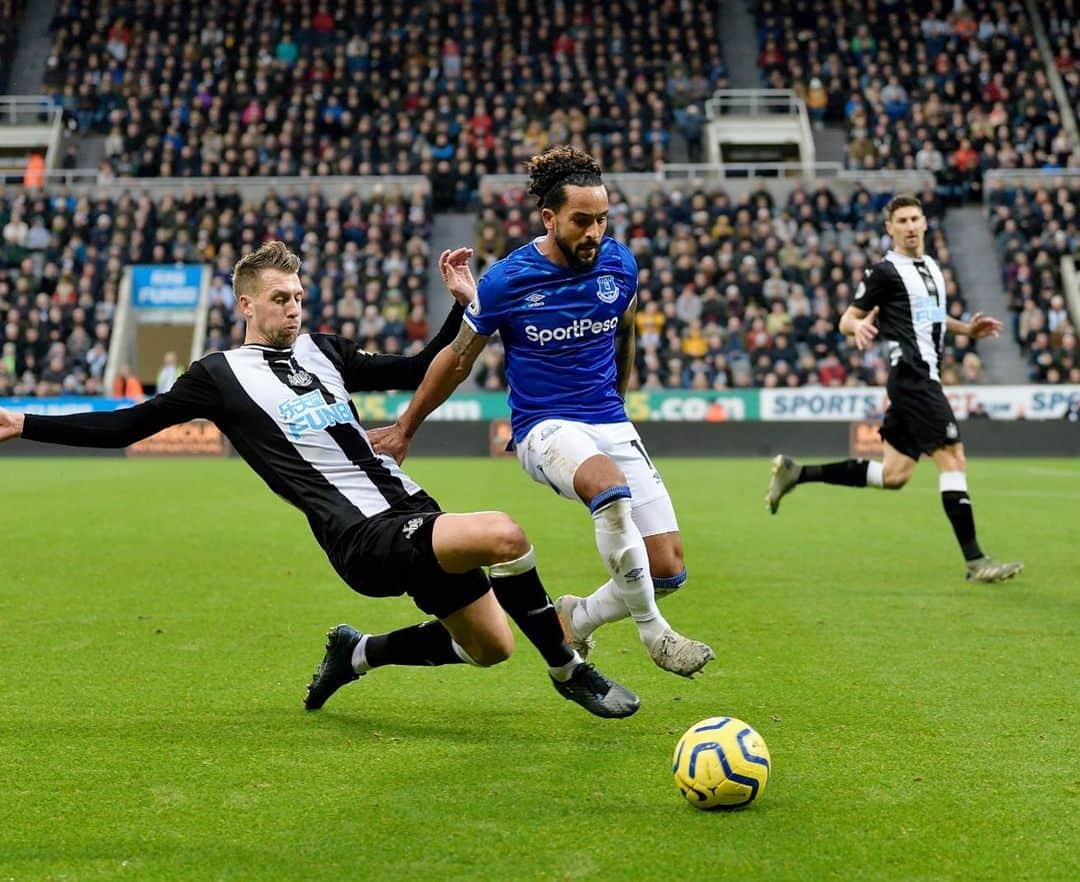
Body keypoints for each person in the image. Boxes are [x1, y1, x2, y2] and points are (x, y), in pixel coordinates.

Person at [0, 241, 638, 720]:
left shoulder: (324, 351)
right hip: (360, 536)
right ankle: (568, 668)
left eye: (299, 297)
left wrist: (460, 308)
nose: (294, 308)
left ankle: (357, 653)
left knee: (491, 647)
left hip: (415, 509)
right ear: (245, 303)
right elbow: (126, 426)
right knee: (504, 533)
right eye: (281, 299)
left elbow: (415, 369)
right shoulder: (218, 376)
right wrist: (23, 421)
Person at [369, 146, 714, 677]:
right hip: (544, 427)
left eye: (601, 219)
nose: (593, 232)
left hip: (608, 421)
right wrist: (404, 427)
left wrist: (617, 405)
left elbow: (625, 332)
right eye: (581, 221)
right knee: (608, 487)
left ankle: (576, 616)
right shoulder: (508, 280)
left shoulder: (620, 265)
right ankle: (656, 635)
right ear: (550, 218)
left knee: (666, 568)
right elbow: (457, 359)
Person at [765, 195, 1022, 584]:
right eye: (901, 220)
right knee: (953, 457)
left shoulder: (932, 268)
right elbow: (845, 319)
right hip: (913, 377)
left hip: (918, 379)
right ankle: (975, 561)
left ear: (925, 223)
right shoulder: (885, 272)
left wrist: (965, 329)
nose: (910, 226)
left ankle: (796, 473)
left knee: (895, 475)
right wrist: (859, 328)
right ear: (890, 228)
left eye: (915, 218)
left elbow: (929, 316)